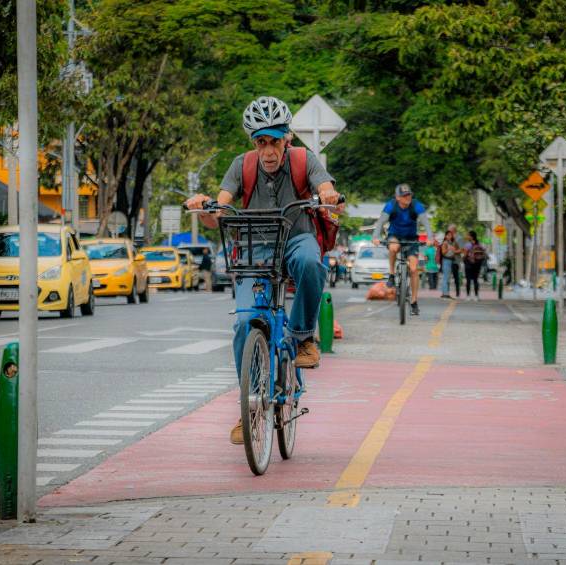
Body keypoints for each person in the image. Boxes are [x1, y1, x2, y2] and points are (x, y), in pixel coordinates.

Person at [185, 96, 340, 445]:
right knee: (244, 322)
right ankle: (251, 406)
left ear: (287, 139)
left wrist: (328, 194)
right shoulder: (242, 166)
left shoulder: (304, 159)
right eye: (261, 142)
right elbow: (219, 210)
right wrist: (204, 205)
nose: (268, 151)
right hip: (255, 248)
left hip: (296, 239)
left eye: (274, 141)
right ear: (253, 143)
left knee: (311, 264)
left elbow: (324, 186)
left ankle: (302, 337)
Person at [371, 184, 433, 316]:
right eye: (404, 195)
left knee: (414, 269)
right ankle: (392, 274)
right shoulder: (391, 206)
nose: (408, 197)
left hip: (411, 238)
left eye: (409, 194)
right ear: (397, 197)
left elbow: (426, 223)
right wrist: (376, 237)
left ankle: (414, 302)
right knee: (393, 247)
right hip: (395, 235)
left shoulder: (416, 205)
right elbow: (381, 222)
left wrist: (430, 238)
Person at [463, 230, 485, 301]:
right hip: (477, 264)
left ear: (471, 237)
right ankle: (476, 296)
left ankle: (468, 296)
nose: (467, 236)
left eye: (468, 235)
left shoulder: (468, 245)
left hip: (469, 264)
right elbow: (483, 252)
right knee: (476, 280)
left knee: (468, 280)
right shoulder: (479, 244)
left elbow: (465, 254)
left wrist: (464, 259)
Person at [440, 229, 460, 299]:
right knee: (446, 277)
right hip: (446, 260)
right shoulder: (445, 243)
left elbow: (456, 251)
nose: (450, 236)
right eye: (448, 235)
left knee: (447, 277)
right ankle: (445, 293)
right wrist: (449, 249)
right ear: (445, 236)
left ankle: (445, 293)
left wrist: (455, 250)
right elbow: (443, 252)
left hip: (450, 260)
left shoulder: (451, 243)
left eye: (451, 235)